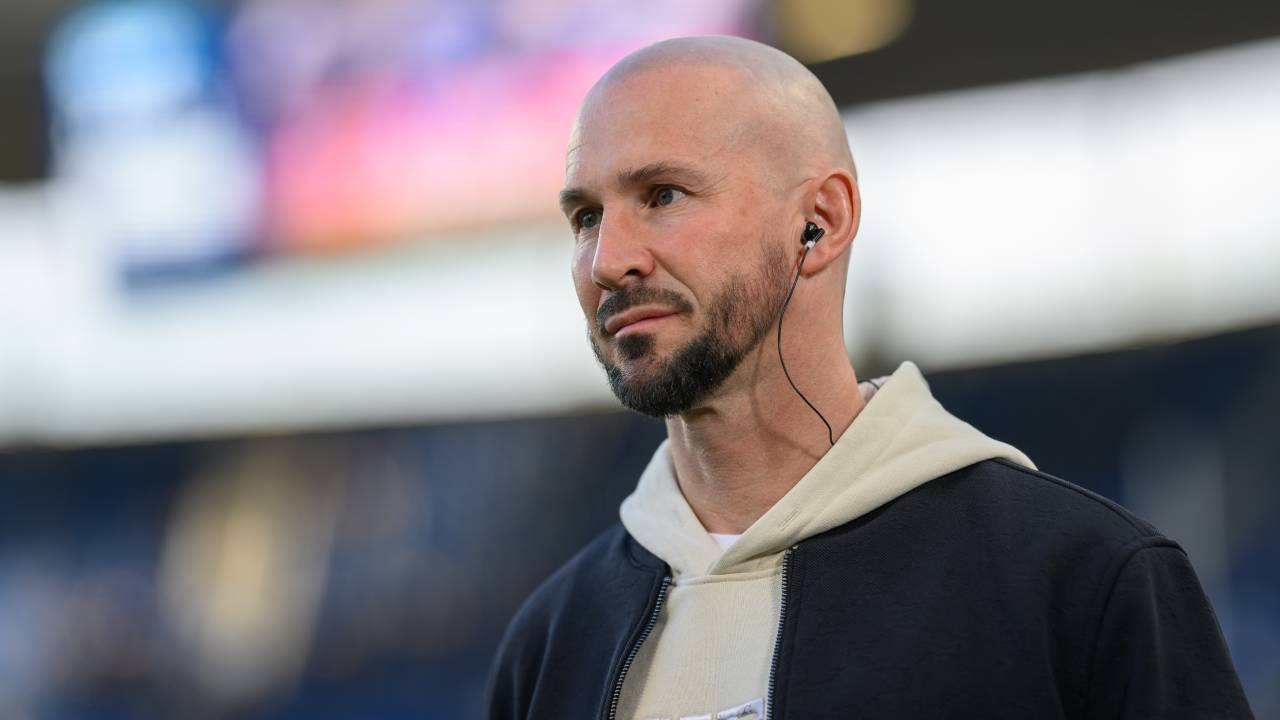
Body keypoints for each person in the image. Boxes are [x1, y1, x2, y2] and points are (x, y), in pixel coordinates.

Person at [487, 35, 1253, 719]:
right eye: (586, 216)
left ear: (820, 221)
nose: (608, 261)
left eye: (663, 195)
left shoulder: (1082, 581)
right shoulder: (551, 644)